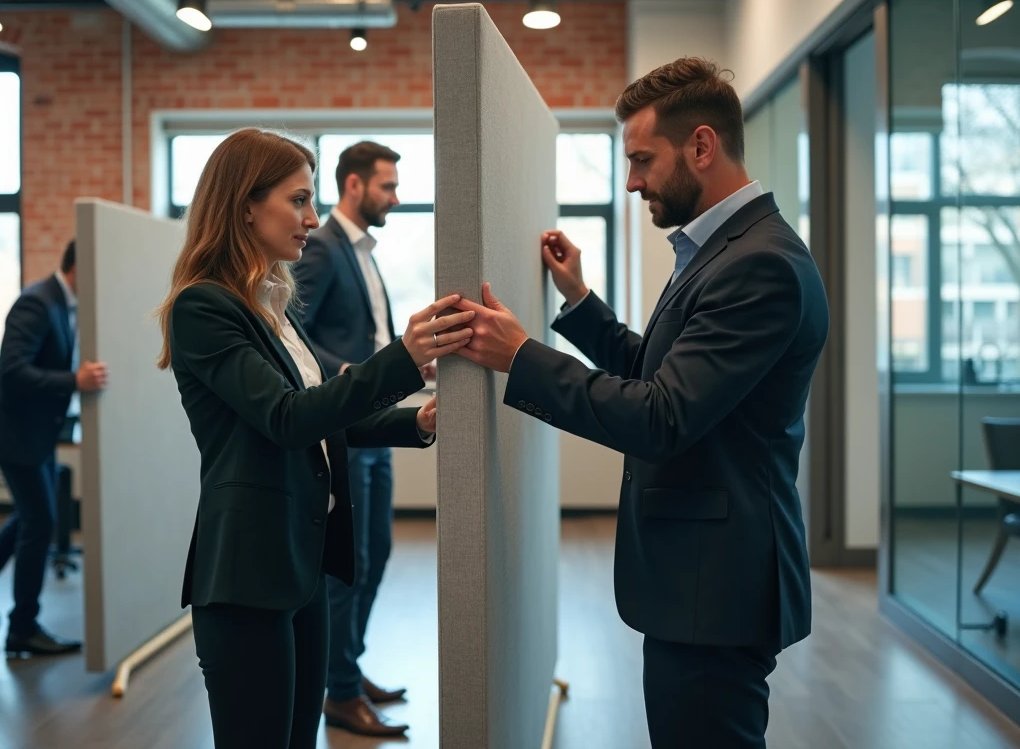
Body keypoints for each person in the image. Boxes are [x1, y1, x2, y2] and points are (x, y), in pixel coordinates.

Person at [451, 57, 830, 748]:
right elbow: (661, 375)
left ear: (702, 146)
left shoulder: (759, 265)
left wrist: (519, 358)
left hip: (717, 587)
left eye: (641, 160)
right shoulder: (724, 251)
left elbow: (661, 417)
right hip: (703, 580)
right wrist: (579, 302)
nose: (630, 182)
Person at [155, 128, 474, 749]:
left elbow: (323, 418)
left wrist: (417, 421)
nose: (311, 218)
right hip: (248, 573)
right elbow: (288, 417)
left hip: (300, 563)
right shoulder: (205, 308)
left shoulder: (272, 306)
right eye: (297, 201)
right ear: (246, 205)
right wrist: (402, 359)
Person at [292, 140, 426, 737]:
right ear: (354, 186)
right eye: (387, 187)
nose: (395, 198)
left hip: (376, 422)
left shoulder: (363, 251)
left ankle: (346, 668)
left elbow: (373, 333)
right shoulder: (321, 249)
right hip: (346, 423)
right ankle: (340, 691)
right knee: (351, 563)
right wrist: (346, 373)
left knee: (375, 555)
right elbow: (291, 329)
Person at [0, 239, 109, 655]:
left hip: (38, 431)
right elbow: (13, 372)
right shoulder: (37, 303)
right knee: (41, 521)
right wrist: (75, 381)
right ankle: (22, 630)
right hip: (15, 433)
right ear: (79, 267)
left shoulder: (63, 303)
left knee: (31, 515)